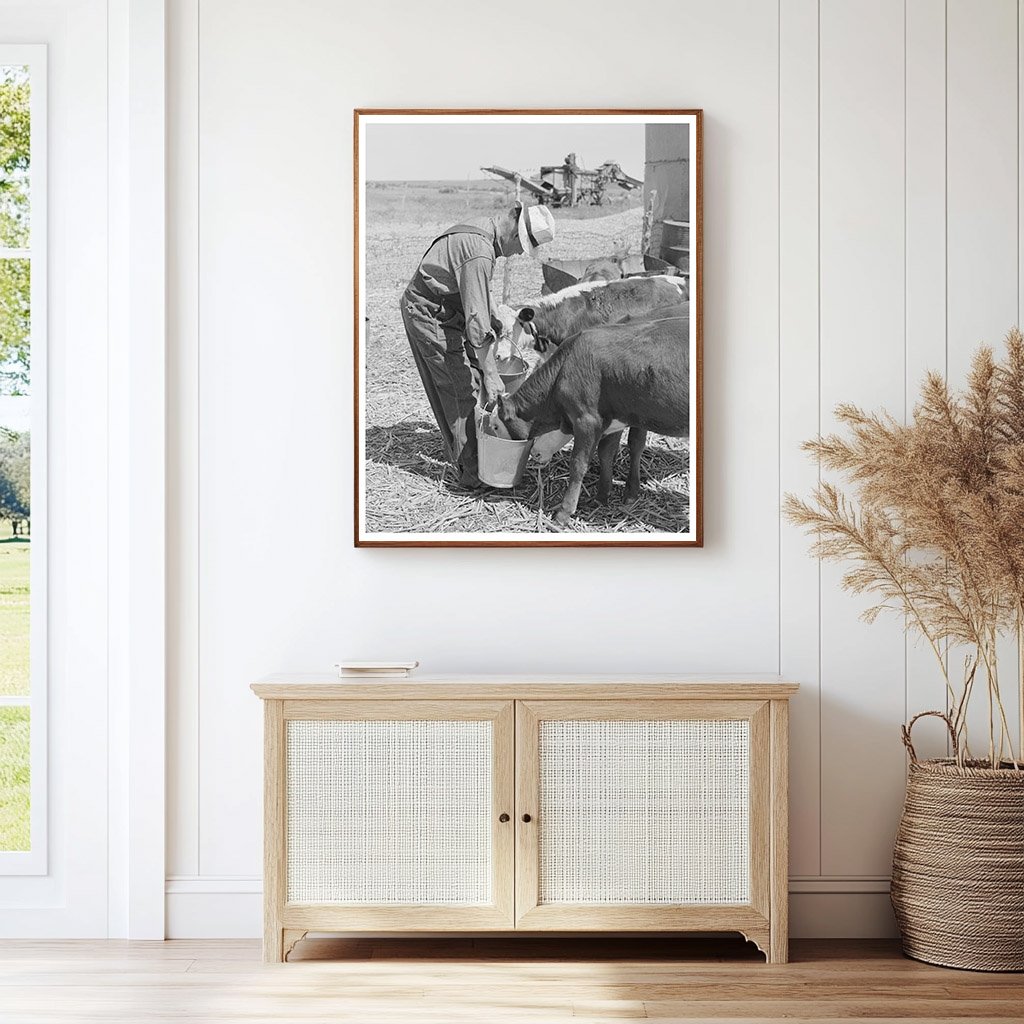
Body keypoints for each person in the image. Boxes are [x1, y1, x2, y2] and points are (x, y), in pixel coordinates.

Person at [400, 202, 556, 487]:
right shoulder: (479, 252)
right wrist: (492, 373)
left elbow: (477, 291)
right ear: (514, 231)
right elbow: (476, 321)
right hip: (429, 310)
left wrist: (493, 315)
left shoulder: (484, 229)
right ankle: (473, 475)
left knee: (470, 376)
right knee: (460, 386)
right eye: (521, 246)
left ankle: (467, 448)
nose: (518, 252)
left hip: (447, 307)